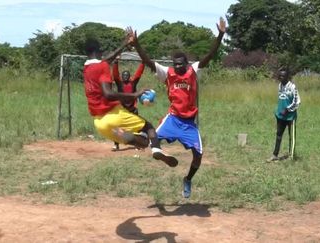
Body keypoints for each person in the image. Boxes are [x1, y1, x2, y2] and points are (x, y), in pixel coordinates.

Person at [127, 17, 226, 198]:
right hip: (173, 118)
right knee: (152, 137)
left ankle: (187, 179)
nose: (178, 66)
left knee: (198, 156)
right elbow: (148, 62)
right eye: (176, 64)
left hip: (189, 123)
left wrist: (220, 35)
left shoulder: (193, 70)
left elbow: (209, 56)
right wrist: (137, 44)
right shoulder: (168, 73)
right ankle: (146, 145)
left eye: (181, 64)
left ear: (186, 63)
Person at [82, 34, 177, 167]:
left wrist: (124, 45)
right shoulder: (103, 66)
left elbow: (106, 61)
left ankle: (128, 137)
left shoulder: (86, 68)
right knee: (148, 127)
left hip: (99, 123)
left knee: (142, 142)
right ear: (99, 51)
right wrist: (135, 95)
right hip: (113, 114)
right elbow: (108, 94)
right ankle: (156, 149)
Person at [266, 67, 301, 162]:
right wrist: (279, 111)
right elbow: (281, 99)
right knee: (278, 135)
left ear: (287, 77)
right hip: (280, 116)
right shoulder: (280, 85)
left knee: (291, 137)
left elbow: (297, 101)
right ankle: (275, 155)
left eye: (283, 76)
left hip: (290, 117)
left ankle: (291, 156)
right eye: (279, 76)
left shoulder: (292, 87)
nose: (281, 78)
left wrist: (287, 109)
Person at [111, 58, 145, 151]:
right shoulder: (119, 84)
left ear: (129, 76)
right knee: (117, 125)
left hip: (132, 108)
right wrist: (115, 63)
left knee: (136, 126)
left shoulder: (133, 83)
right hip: (121, 109)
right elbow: (115, 75)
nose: (125, 76)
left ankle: (138, 144)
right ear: (122, 77)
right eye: (123, 75)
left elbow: (138, 74)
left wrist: (143, 63)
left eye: (127, 75)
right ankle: (116, 144)